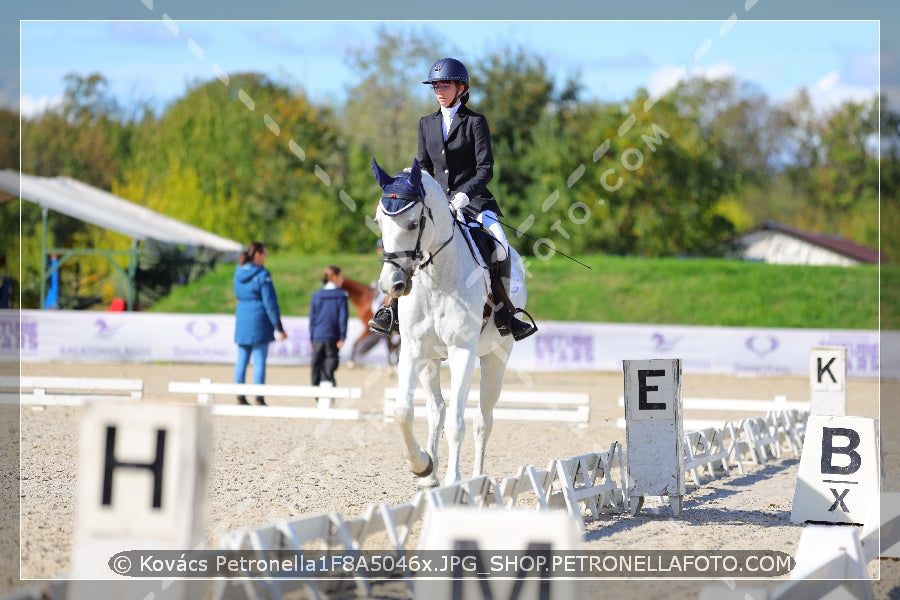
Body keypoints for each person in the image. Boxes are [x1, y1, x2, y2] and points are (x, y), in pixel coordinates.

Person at [369, 57, 537, 341]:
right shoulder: (426, 124)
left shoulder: (475, 122)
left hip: (474, 201)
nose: (439, 91)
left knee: (500, 244)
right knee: (409, 241)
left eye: (444, 85)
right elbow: (424, 167)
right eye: (435, 86)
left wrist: (464, 195)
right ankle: (392, 309)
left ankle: (506, 313)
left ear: (461, 88)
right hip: (437, 204)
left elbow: (486, 169)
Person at [233, 241, 287, 405]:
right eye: (265, 253)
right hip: (259, 317)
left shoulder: (238, 272)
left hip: (242, 315)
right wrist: (278, 325)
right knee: (259, 359)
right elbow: (270, 302)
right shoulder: (263, 275)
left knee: (242, 358)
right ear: (257, 254)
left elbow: (237, 293)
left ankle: (239, 394)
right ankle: (259, 396)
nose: (266, 257)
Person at [309, 265, 348, 387]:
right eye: (341, 277)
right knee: (330, 364)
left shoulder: (316, 295)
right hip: (332, 337)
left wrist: (311, 337)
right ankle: (328, 387)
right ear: (335, 277)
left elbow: (312, 319)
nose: (342, 280)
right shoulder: (341, 295)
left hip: (318, 336)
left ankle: (316, 390)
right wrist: (342, 336)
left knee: (316, 364)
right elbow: (343, 318)